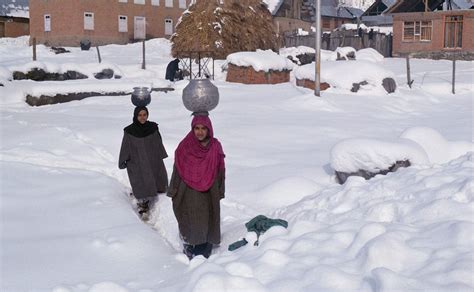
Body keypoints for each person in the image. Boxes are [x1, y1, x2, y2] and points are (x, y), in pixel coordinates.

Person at [167, 114, 225, 259]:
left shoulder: (215, 146)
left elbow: (220, 169)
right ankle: (190, 245)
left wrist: (220, 189)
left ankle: (206, 245)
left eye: (203, 128)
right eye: (196, 128)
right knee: (191, 218)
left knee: (208, 217)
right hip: (188, 190)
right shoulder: (185, 146)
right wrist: (173, 189)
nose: (200, 132)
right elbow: (178, 168)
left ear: (209, 129)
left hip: (209, 189)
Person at [119, 106, 168, 218]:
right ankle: (143, 204)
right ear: (136, 116)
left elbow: (158, 142)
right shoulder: (129, 131)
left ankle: (157, 196)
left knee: (155, 177)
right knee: (140, 180)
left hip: (152, 158)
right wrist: (123, 160)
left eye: (144, 115)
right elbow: (125, 146)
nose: (142, 117)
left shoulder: (153, 127)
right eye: (140, 115)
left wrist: (160, 154)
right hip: (137, 160)